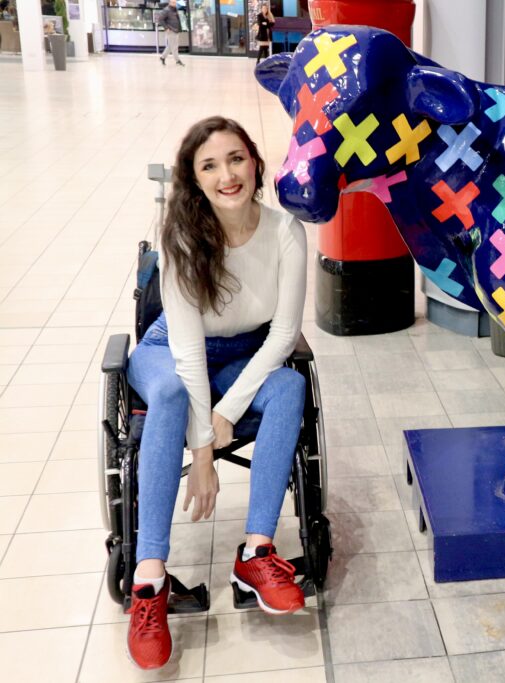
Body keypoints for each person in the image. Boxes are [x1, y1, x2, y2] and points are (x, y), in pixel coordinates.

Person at [125, 117, 308, 670]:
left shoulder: (286, 232)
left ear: (255, 162)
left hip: (244, 353)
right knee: (175, 395)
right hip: (171, 354)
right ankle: (149, 582)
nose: (227, 174)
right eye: (210, 165)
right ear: (194, 179)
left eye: (236, 159)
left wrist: (228, 409)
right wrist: (203, 452)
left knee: (290, 385)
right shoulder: (182, 239)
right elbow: (185, 355)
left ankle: (255, 553)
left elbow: (283, 335)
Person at [154, 1, 183, 66]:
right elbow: (160, 19)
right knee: (175, 46)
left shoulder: (174, 10)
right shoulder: (166, 10)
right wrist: (166, 28)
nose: (174, 4)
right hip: (171, 30)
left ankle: (162, 57)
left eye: (175, 2)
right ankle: (177, 60)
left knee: (170, 46)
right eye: (173, 2)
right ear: (169, 3)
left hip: (176, 30)